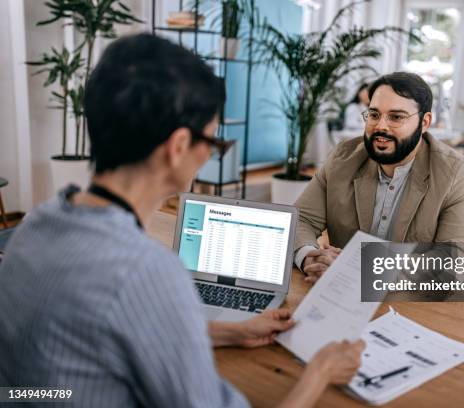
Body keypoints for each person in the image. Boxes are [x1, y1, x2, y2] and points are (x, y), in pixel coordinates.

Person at [0, 34, 364, 407]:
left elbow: (97, 335)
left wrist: (225, 332)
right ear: (177, 148)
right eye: (212, 142)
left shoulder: (36, 224)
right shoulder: (146, 271)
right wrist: (319, 373)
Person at [294, 72, 464, 282]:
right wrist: (310, 258)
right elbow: (301, 220)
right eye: (374, 115)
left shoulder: (457, 173)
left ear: (424, 122)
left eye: (396, 117)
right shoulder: (342, 158)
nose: (380, 126)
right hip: (342, 297)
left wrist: (359, 269)